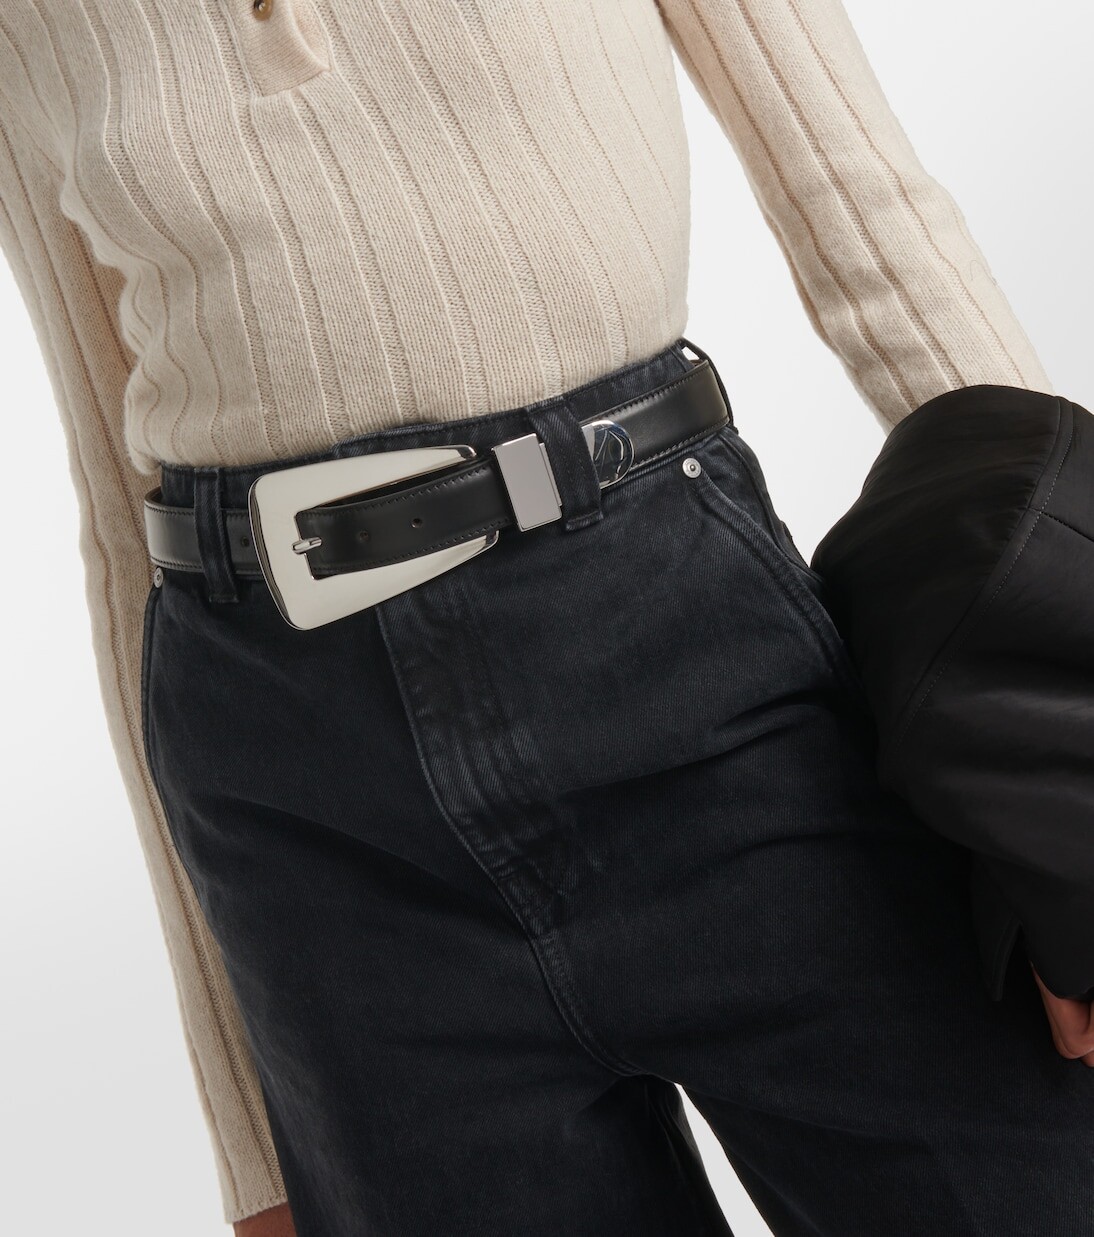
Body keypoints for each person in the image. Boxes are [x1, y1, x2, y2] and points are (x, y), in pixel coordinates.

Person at [0, 1, 1090, 1234]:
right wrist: (257, 1134)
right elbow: (120, 517)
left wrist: (1070, 793)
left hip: (694, 665)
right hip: (305, 814)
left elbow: (863, 206)